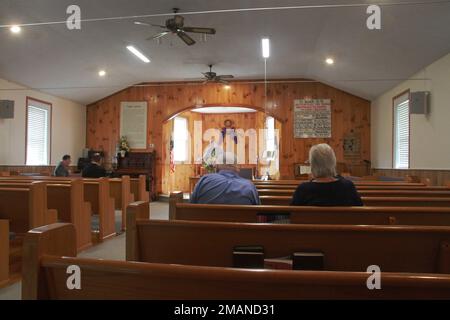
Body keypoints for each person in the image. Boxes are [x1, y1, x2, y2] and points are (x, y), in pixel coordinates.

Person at [291, 143, 363, 206]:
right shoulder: (348, 187)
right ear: (333, 162)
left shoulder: (303, 189)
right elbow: (360, 210)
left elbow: (292, 214)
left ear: (312, 164)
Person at [191, 153, 260, 205]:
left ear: (217, 166)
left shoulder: (204, 180)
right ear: (238, 167)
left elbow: (192, 204)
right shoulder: (249, 186)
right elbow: (258, 211)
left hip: (205, 224)